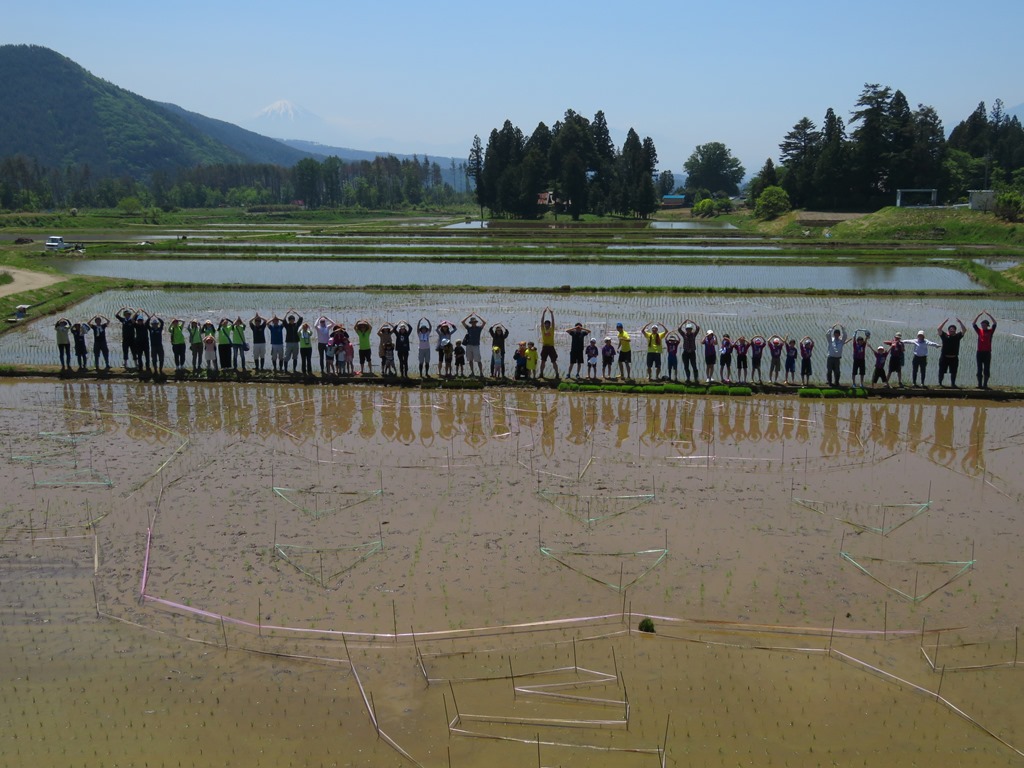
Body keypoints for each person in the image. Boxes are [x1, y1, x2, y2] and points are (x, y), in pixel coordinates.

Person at [937, 317, 966, 388]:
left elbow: (964, 330)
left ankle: (953, 384)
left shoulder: (957, 336)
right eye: (950, 330)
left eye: (953, 330)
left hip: (954, 358)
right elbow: (939, 329)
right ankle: (940, 384)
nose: (951, 331)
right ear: (948, 331)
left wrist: (960, 322)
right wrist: (945, 322)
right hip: (944, 357)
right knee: (941, 371)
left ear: (955, 331)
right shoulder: (944, 336)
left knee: (953, 372)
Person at [973, 311, 996, 389]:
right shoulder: (979, 331)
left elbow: (995, 323)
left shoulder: (990, 331)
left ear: (987, 325)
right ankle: (979, 384)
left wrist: (989, 315)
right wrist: (978, 315)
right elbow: (973, 324)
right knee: (979, 368)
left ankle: (985, 384)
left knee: (986, 368)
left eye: (984, 325)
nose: (983, 326)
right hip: (979, 352)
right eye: (982, 325)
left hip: (987, 353)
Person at [462, 313, 487, 378]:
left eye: (474, 322)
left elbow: (484, 322)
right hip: (469, 345)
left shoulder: (479, 328)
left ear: (476, 322)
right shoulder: (469, 328)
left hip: (476, 346)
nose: (473, 323)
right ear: (471, 323)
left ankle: (481, 373)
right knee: (470, 360)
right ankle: (472, 372)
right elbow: (462, 322)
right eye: (472, 322)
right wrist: (468, 316)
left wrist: (478, 316)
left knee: (478, 360)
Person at [539, 308, 559, 379]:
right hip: (545, 347)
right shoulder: (543, 329)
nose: (547, 325)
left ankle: (557, 374)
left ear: (549, 325)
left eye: (548, 324)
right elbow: (541, 322)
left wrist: (551, 313)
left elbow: (553, 322)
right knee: (543, 361)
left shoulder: (552, 329)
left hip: (551, 347)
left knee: (554, 361)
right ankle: (541, 374)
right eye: (546, 324)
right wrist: (543, 313)